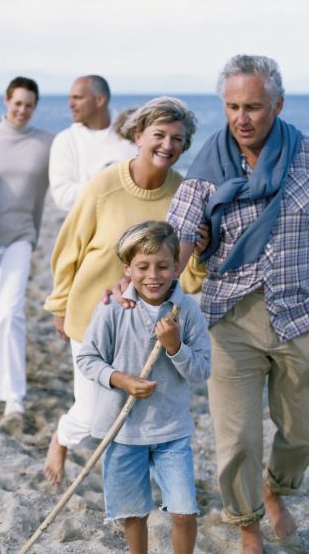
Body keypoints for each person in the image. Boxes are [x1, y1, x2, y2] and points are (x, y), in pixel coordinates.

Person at [165, 55, 309, 553]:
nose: (241, 118)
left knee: (308, 433)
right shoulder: (205, 167)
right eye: (232, 107)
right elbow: (178, 236)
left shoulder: (307, 155)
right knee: (238, 438)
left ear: (278, 104)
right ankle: (247, 524)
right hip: (228, 318)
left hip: (301, 314)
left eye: (253, 106)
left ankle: (276, 486)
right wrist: (149, 283)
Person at [43, 97, 205, 486]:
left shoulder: (185, 195)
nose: (168, 145)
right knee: (92, 415)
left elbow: (190, 276)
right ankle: (62, 437)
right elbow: (70, 246)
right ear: (138, 135)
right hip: (91, 314)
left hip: (148, 326)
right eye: (159, 135)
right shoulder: (104, 184)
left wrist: (200, 246)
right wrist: (60, 304)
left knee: (130, 415)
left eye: (177, 139)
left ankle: (132, 488)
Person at [77, 220, 210, 554]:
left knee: (184, 511)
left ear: (176, 266)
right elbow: (88, 358)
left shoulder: (188, 311)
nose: (153, 275)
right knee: (134, 513)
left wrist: (175, 346)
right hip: (122, 432)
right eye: (143, 267)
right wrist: (120, 379)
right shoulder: (112, 309)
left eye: (163, 266)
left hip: (171, 430)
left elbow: (202, 371)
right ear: (128, 268)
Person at [0, 77, 54, 417]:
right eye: (17, 103)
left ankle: (14, 396)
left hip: (21, 236)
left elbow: (75, 170)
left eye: (29, 105)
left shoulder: (47, 143)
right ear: (6, 101)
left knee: (11, 312)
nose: (22, 110)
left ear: (35, 107)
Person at [48, 75, 138, 212]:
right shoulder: (65, 140)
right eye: (70, 98)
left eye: (77, 98)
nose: (70, 104)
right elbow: (63, 197)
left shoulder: (134, 131)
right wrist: (108, 179)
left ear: (99, 100)